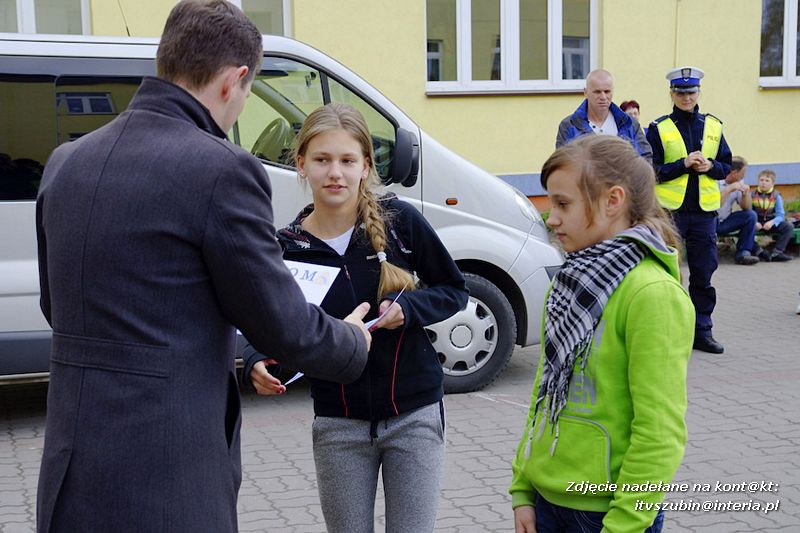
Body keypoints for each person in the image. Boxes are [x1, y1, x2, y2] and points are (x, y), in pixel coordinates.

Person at [35, 2, 371, 532]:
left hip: (70, 470)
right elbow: (281, 324)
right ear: (235, 80)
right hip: (167, 474)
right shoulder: (222, 169)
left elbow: (56, 306)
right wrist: (352, 341)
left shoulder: (66, 161)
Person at [243, 103, 469, 533]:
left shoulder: (401, 222)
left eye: (347, 161)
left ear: (366, 166)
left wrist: (409, 310)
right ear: (301, 164)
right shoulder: (286, 247)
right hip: (338, 424)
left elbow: (453, 290)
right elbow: (266, 322)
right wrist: (255, 358)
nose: (335, 173)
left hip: (414, 416)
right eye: (322, 160)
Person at [509, 135, 693, 533]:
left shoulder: (652, 293)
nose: (551, 218)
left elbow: (660, 431)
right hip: (546, 500)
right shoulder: (570, 282)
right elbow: (545, 390)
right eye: (550, 203)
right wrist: (523, 487)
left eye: (563, 204)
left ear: (613, 201)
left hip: (608, 514)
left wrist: (624, 524)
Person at [646, 66, 732, 354]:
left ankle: (702, 331)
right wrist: (682, 164)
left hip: (704, 213)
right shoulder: (659, 128)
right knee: (667, 275)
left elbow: (726, 166)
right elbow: (651, 170)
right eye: (681, 92)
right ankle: (667, 332)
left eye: (691, 92)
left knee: (703, 274)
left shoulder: (714, 126)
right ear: (672, 94)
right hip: (670, 214)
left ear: (698, 93)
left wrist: (711, 166)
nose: (686, 97)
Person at [555, 69, 652, 162]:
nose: (603, 97)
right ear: (585, 92)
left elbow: (645, 159)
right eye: (597, 92)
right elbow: (561, 163)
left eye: (607, 92)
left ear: (613, 91)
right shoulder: (569, 125)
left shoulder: (629, 124)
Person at [717, 156, 759, 265]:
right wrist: (729, 189)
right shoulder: (715, 180)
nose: (744, 176)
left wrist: (745, 195)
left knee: (750, 215)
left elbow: (747, 208)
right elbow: (715, 204)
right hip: (710, 221)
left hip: (725, 221)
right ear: (734, 173)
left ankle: (743, 253)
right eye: (743, 173)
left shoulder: (739, 182)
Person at [750, 169, 794, 262]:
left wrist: (772, 222)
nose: (763, 183)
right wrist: (755, 222)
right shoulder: (752, 195)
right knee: (745, 230)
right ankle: (759, 251)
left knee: (788, 226)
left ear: (772, 183)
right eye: (761, 180)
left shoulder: (776, 196)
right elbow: (749, 211)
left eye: (767, 181)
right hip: (756, 221)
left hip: (770, 221)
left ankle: (777, 252)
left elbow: (780, 214)